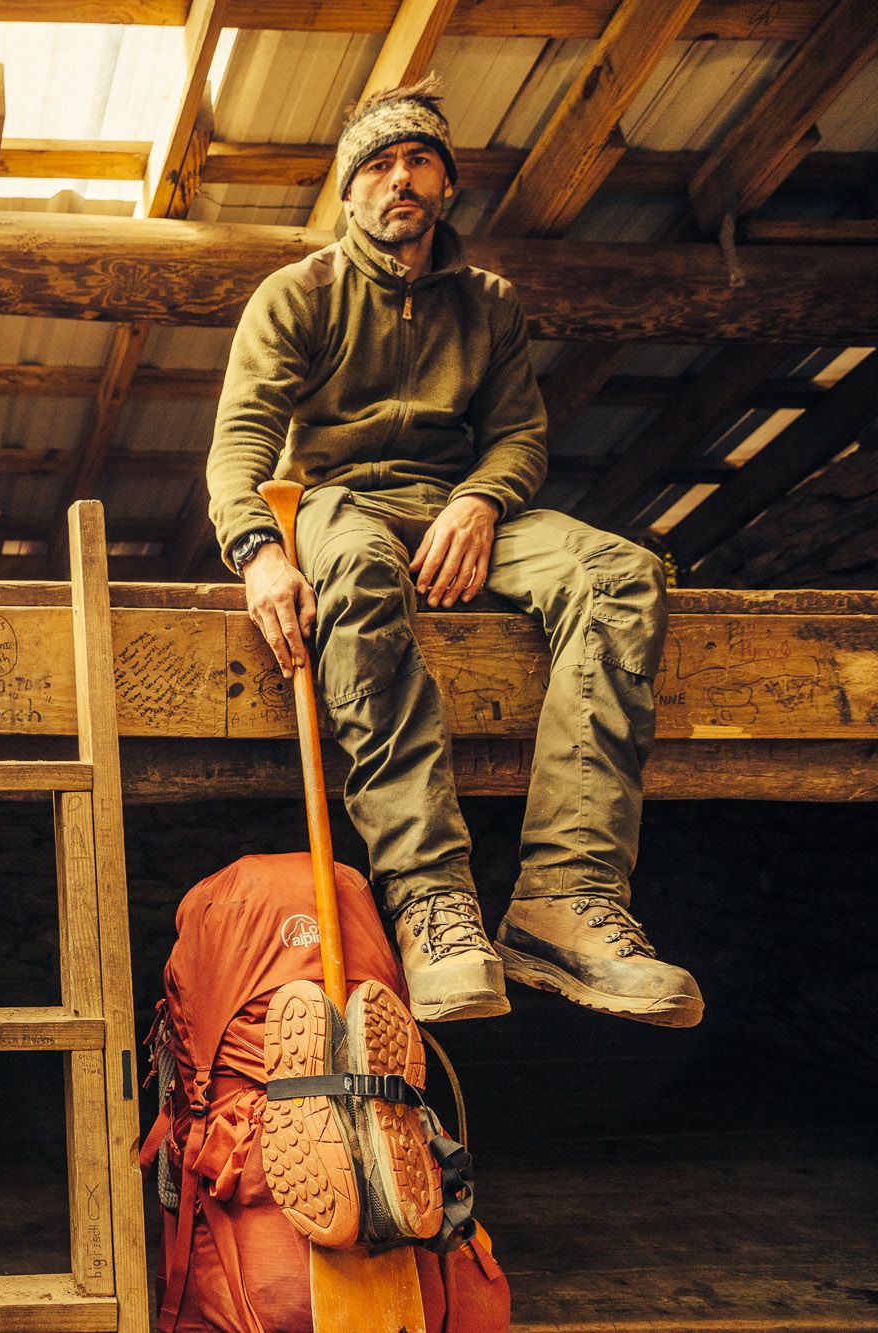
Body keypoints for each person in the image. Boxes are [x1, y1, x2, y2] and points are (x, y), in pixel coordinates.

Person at [203, 78, 702, 1027]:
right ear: (349, 194)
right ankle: (433, 899)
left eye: (418, 161)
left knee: (619, 572)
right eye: (378, 165)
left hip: (454, 511)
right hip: (332, 505)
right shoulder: (297, 295)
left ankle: (567, 897)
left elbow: (519, 436)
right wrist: (261, 549)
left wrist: (480, 499)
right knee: (356, 568)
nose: (399, 179)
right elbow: (239, 445)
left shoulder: (490, 306)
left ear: (445, 184)